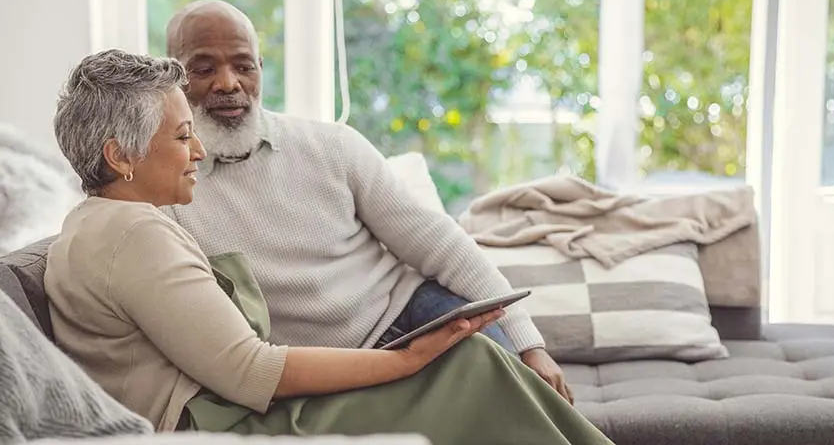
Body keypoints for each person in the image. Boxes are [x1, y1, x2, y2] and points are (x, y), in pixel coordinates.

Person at [43, 49, 613, 445]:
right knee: (471, 366)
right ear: (120, 156)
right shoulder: (136, 234)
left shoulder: (100, 223)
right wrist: (406, 360)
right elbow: (249, 369)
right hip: (221, 424)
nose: (197, 151)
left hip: (227, 409)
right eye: (182, 135)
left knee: (474, 362)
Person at [162, 0, 574, 403]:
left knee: (525, 400)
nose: (228, 83)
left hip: (415, 313)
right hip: (328, 371)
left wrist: (529, 344)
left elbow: (439, 244)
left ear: (260, 69)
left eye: (243, 66)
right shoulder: (165, 194)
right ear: (173, 78)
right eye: (204, 69)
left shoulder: (333, 145)